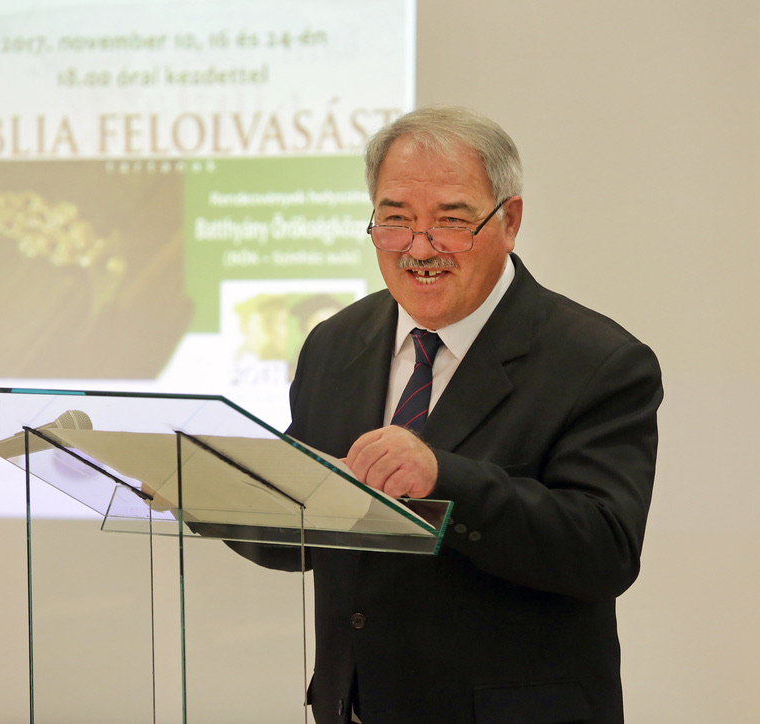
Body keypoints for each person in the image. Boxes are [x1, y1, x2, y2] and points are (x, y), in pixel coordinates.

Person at [262, 106, 661, 723]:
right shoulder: (335, 344)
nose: (420, 248)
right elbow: (305, 535)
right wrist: (206, 488)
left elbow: (603, 551)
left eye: (450, 221)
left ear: (510, 220)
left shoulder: (598, 360)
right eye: (396, 221)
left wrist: (441, 479)